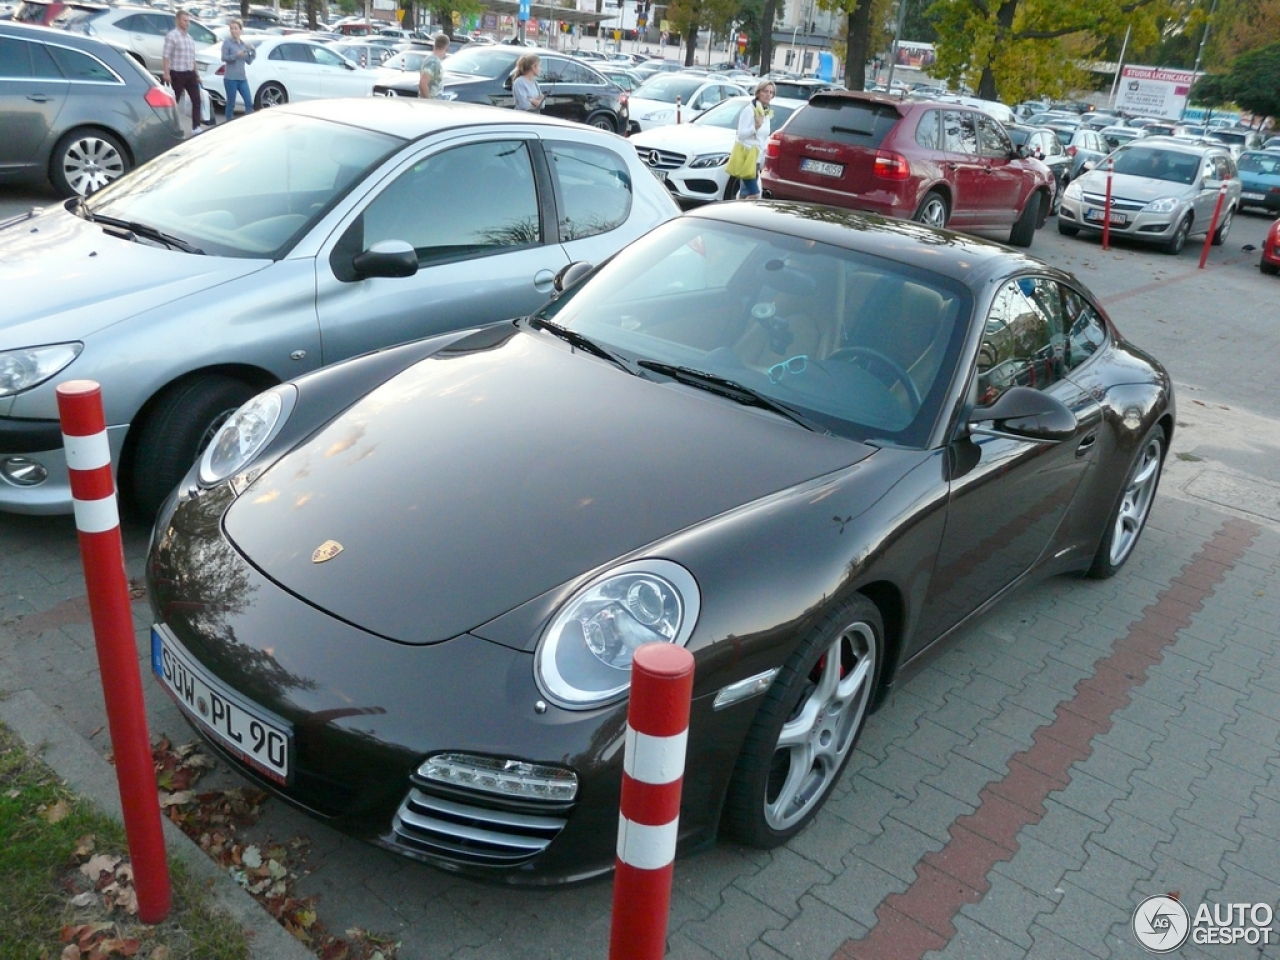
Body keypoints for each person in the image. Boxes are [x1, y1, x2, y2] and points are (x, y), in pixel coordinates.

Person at [163, 9, 206, 134]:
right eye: (184, 20)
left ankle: (196, 127)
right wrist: (166, 74)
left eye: (189, 21)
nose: (187, 23)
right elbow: (166, 56)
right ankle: (171, 126)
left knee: (196, 100)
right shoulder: (172, 36)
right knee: (173, 102)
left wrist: (197, 75)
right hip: (177, 73)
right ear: (177, 20)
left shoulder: (189, 38)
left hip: (190, 73)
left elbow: (192, 58)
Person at [735, 80, 775, 200]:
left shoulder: (766, 112)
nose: (768, 94)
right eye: (765, 91)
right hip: (747, 157)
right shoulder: (750, 110)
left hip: (757, 159)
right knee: (754, 194)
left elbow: (764, 138)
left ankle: (736, 215)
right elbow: (741, 135)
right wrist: (755, 127)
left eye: (771, 92)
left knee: (744, 193)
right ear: (758, 93)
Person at [220, 19, 254, 122]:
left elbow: (249, 61)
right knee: (231, 103)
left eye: (235, 28)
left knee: (248, 101)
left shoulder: (243, 44)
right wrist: (236, 55)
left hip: (242, 78)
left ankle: (249, 122)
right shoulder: (227, 43)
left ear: (240, 30)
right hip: (230, 78)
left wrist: (252, 51)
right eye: (231, 29)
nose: (233, 31)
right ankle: (228, 122)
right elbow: (224, 58)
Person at [417, 32, 449, 99]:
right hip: (428, 105)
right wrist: (429, 102)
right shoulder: (433, 62)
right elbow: (422, 83)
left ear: (434, 45)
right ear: (447, 48)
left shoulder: (431, 59)